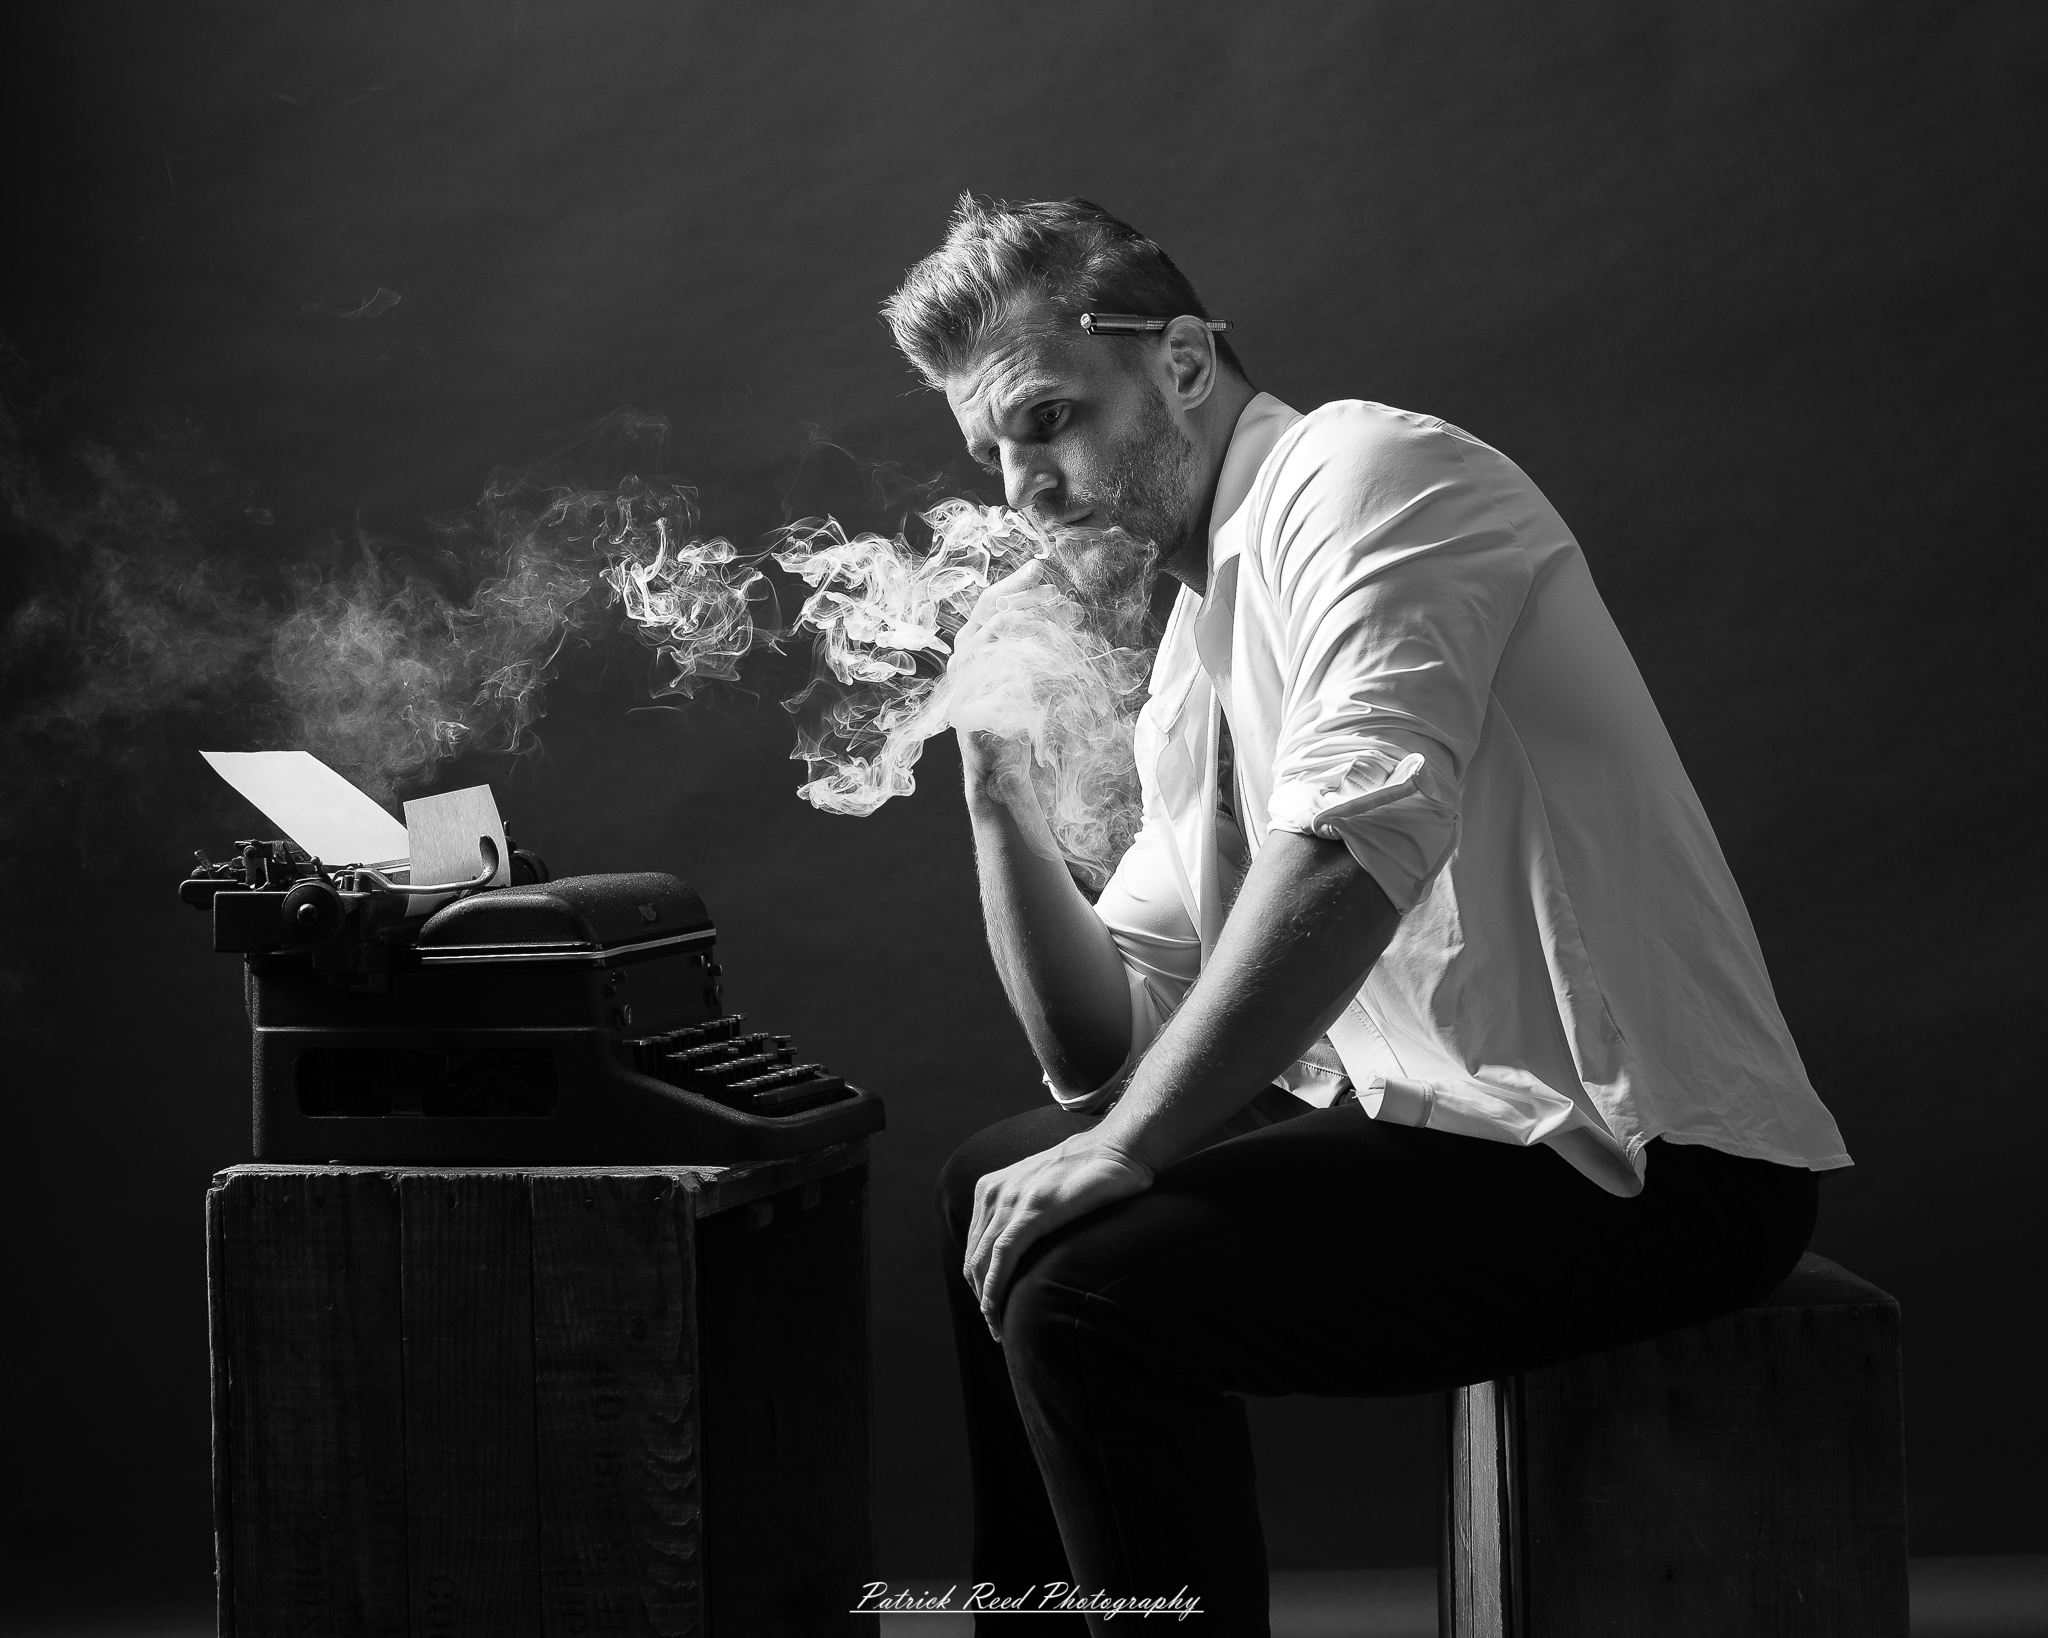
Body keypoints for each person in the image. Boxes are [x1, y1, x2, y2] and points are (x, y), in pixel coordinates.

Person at [883, 195, 1849, 1637]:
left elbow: (1349, 852)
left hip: (1643, 1160)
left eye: (1049, 420)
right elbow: (1102, 1053)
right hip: (1443, 1128)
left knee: (1083, 1291)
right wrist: (994, 790)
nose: (1026, 485)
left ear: (1185, 362)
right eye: (995, 453)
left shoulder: (1367, 479)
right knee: (992, 1181)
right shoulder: (1197, 649)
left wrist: (1127, 1150)